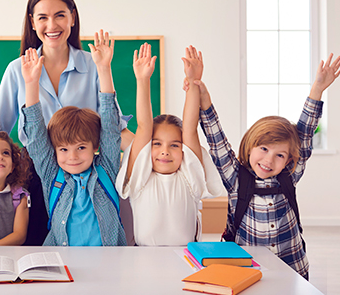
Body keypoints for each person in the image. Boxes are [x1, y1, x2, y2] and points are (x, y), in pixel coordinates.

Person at [0, 0, 131, 246]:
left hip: (87, 169)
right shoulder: (18, 69)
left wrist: (151, 150)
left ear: (72, 16)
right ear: (32, 22)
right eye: (43, 17)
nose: (52, 25)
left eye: (60, 15)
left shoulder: (94, 65)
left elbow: (112, 128)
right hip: (35, 174)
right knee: (38, 252)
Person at [197, 53, 340, 279]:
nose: (269, 160)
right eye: (263, 149)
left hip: (294, 269)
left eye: (279, 155)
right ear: (251, 146)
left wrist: (318, 89)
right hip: (248, 271)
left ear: (290, 159)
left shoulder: (289, 175)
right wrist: (204, 99)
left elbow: (304, 131)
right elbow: (217, 141)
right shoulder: (236, 178)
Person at [20, 30, 126, 246]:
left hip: (109, 265)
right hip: (63, 264)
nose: (72, 157)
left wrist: (104, 69)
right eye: (64, 149)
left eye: (80, 148)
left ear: (95, 146)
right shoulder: (52, 174)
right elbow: (36, 137)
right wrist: (31, 84)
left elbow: (110, 124)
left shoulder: (106, 169)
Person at [115, 45, 224, 246]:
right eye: (157, 144)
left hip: (186, 259)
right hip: (144, 260)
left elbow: (190, 128)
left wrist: (193, 81)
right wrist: (143, 80)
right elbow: (144, 126)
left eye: (174, 145)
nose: (165, 151)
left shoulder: (190, 178)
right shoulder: (140, 178)